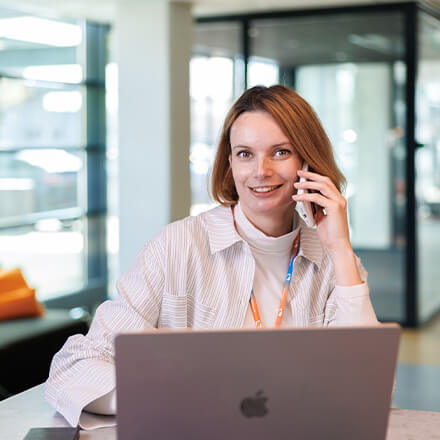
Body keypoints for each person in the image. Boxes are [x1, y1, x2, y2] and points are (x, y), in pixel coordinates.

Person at [45, 85, 378, 427]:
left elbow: (370, 387)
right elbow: (76, 366)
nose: (260, 171)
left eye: (280, 152)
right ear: (230, 162)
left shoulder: (334, 260)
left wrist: (340, 247)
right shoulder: (179, 245)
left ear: (308, 162)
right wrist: (164, 395)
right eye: (245, 154)